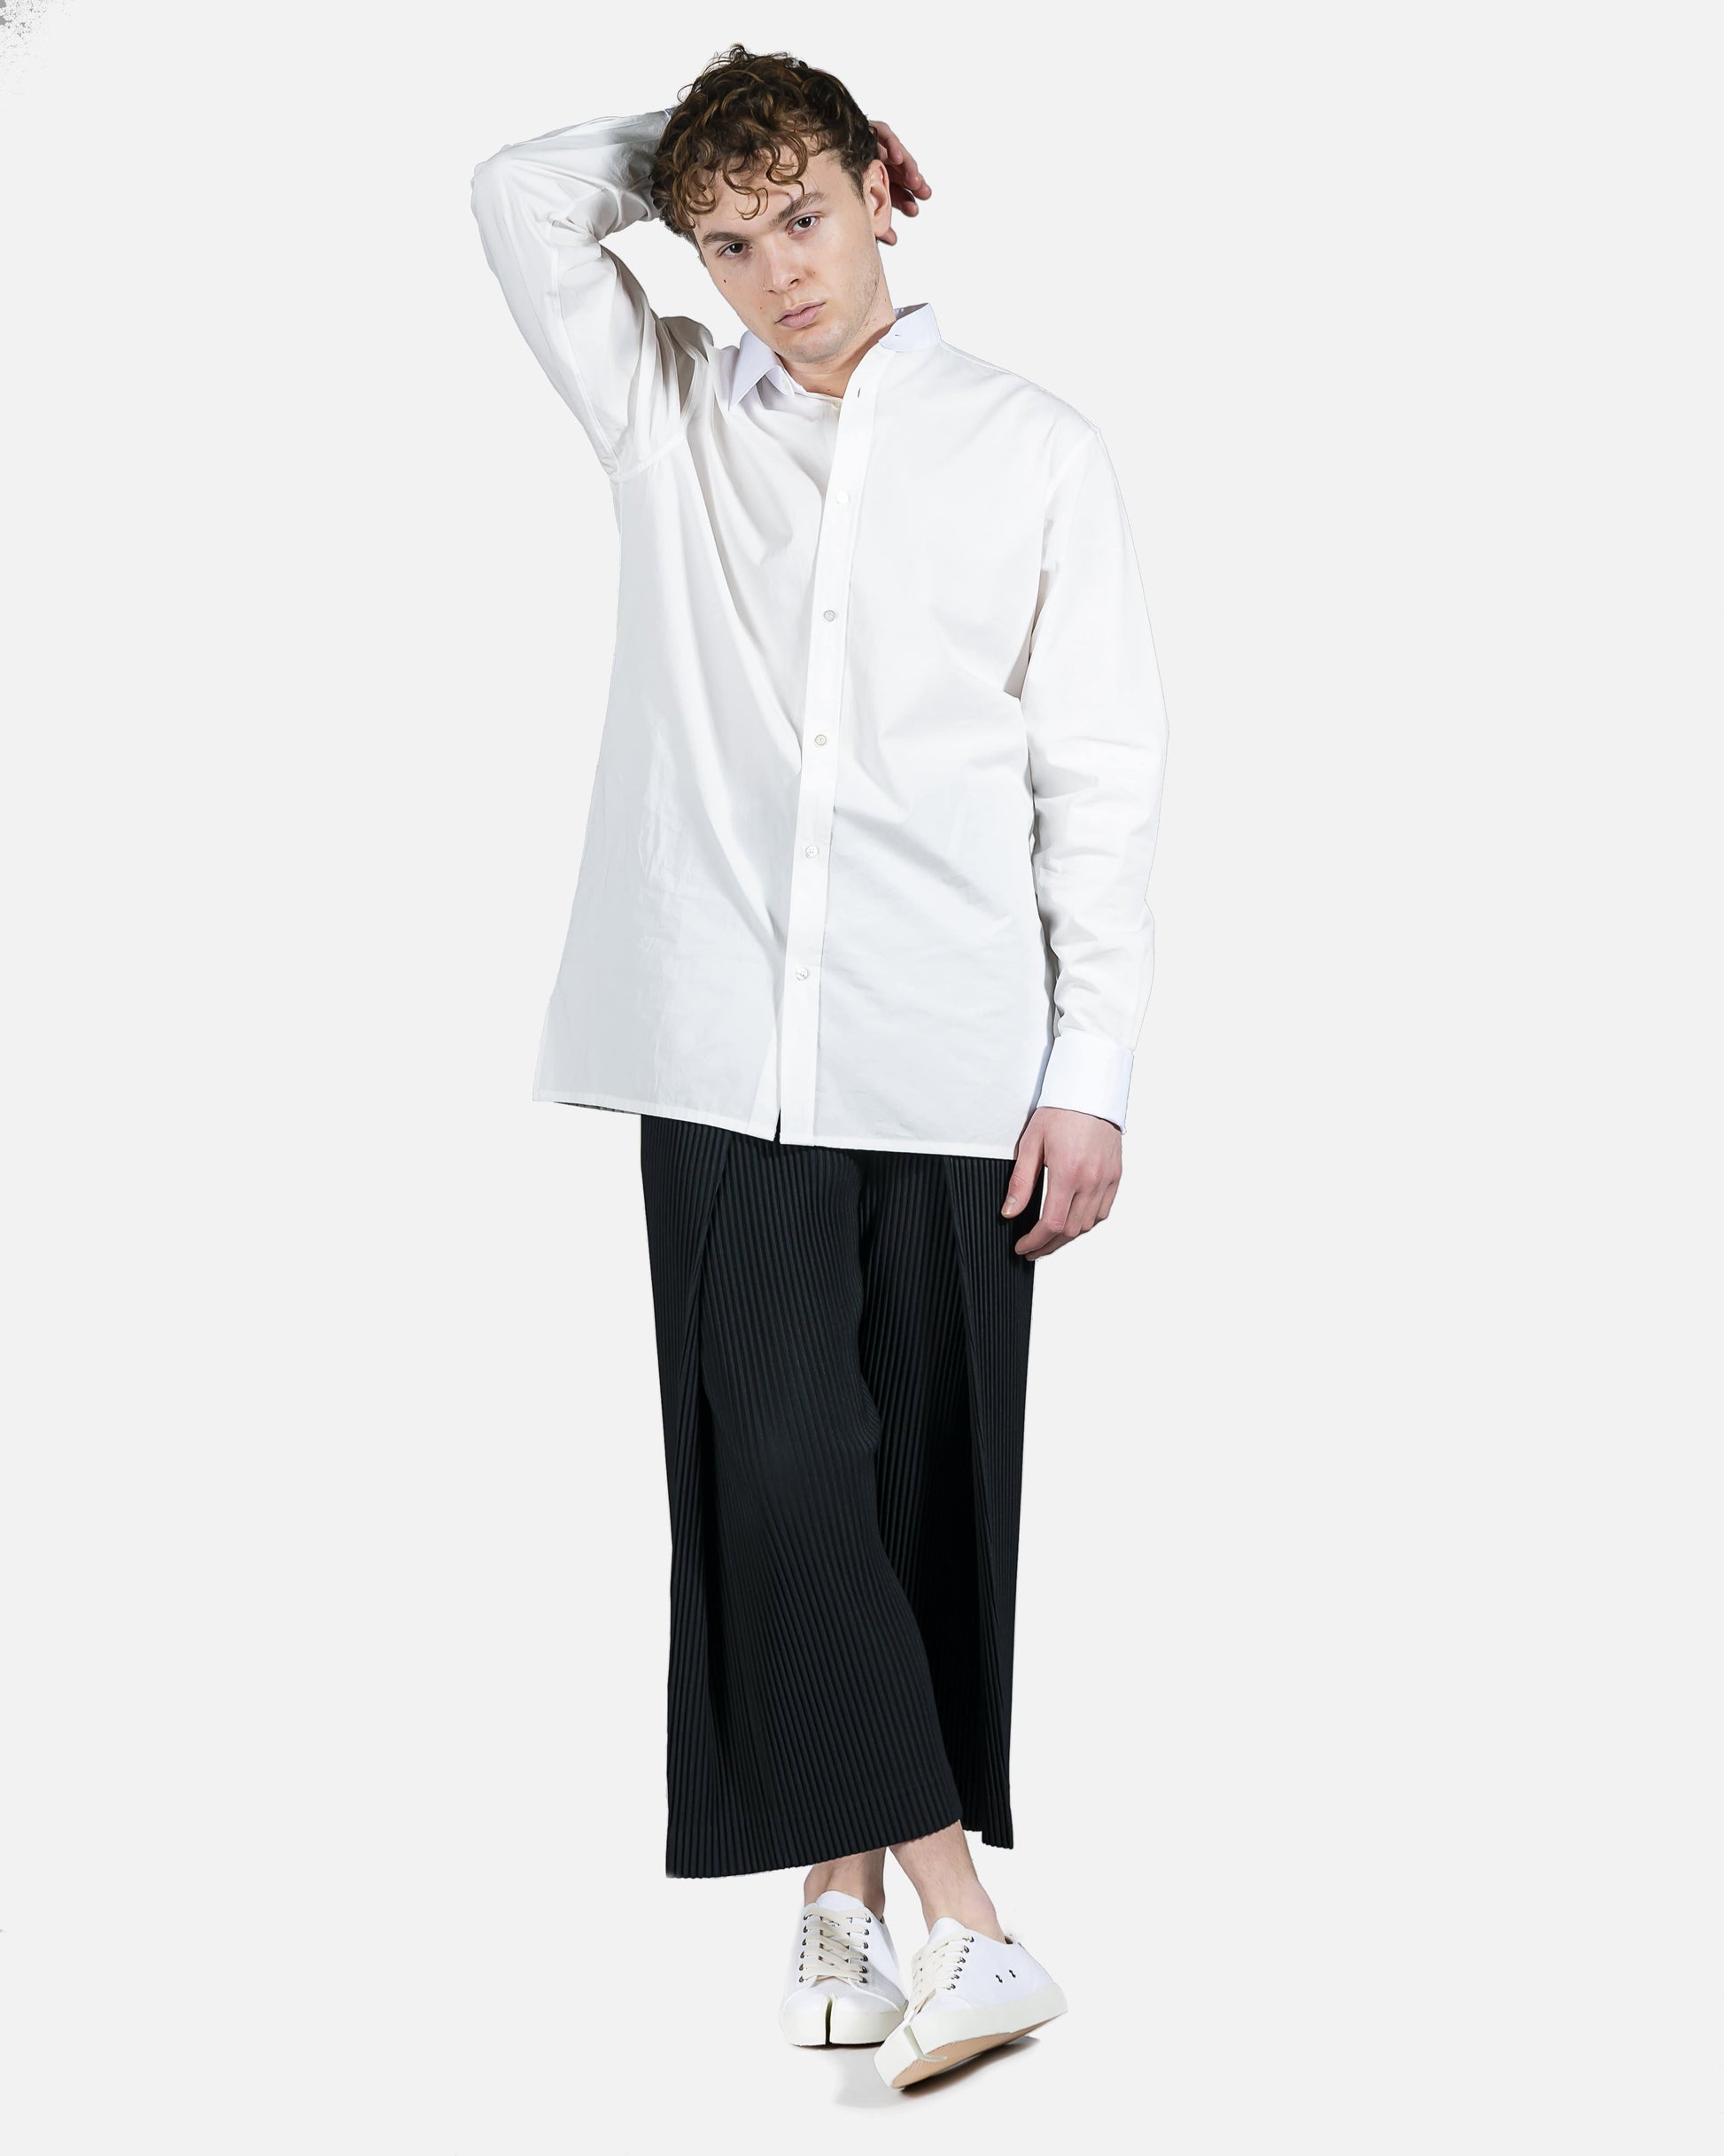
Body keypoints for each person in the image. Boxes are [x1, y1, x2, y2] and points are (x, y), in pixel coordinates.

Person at [469, 42, 1169, 2090]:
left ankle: (837, 1904)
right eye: (725, 239)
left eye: (802, 213)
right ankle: (970, 1925)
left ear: (882, 190)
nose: (776, 272)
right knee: (775, 1465)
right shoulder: (667, 414)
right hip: (718, 1049)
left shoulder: (1034, 451)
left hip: (953, 1051)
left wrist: (1095, 1064)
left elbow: (1098, 778)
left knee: (917, 1490)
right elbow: (513, 197)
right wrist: (679, 151)